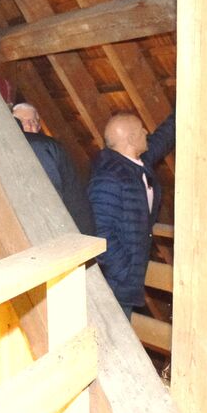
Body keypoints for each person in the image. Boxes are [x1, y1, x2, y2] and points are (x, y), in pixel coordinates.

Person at [87, 111, 175, 318]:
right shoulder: (109, 178)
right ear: (131, 139)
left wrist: (183, 109)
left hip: (125, 284)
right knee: (114, 336)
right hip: (114, 288)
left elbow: (162, 138)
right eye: (141, 129)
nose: (146, 132)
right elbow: (101, 232)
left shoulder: (135, 163)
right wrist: (124, 271)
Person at [12, 103, 94, 234]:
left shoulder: (45, 148)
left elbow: (58, 198)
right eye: (23, 122)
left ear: (39, 126)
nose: (30, 126)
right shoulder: (10, 152)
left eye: (33, 121)